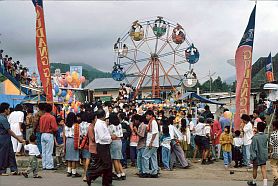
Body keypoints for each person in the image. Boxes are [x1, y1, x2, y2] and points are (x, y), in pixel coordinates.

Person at [0, 103, 24, 176]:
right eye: (8, 109)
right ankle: (2, 170)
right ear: (5, 110)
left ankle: (14, 170)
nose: (9, 110)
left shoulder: (4, 117)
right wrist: (18, 138)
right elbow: (9, 130)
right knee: (3, 154)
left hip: (6, 137)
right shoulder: (3, 118)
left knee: (11, 154)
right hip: (3, 137)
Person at [94, 109, 113, 186]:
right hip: (102, 145)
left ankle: (108, 182)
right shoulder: (99, 124)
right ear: (103, 115)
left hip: (105, 145)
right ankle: (106, 183)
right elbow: (102, 137)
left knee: (108, 165)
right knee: (106, 165)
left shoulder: (102, 123)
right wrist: (110, 137)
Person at [247, 122, 268, 186]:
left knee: (255, 169)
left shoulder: (255, 137)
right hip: (263, 155)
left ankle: (254, 182)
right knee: (263, 169)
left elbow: (252, 148)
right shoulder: (266, 136)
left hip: (256, 156)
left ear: (257, 128)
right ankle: (265, 184)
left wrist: (252, 158)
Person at [140, 110, 159, 178]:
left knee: (145, 156)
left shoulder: (153, 122)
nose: (146, 117)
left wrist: (151, 142)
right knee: (153, 157)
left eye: (147, 115)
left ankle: (146, 172)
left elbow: (155, 132)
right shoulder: (152, 122)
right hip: (154, 143)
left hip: (152, 143)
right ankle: (154, 172)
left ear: (151, 115)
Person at [40, 103, 58, 170]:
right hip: (49, 134)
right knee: (49, 151)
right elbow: (55, 128)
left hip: (42, 134)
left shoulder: (42, 117)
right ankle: (49, 166)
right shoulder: (52, 117)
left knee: (43, 151)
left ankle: (44, 165)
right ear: (51, 110)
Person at [108, 112, 126, 180]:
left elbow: (110, 136)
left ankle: (118, 174)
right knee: (118, 159)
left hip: (114, 142)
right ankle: (122, 173)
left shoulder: (111, 126)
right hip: (119, 141)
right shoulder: (119, 125)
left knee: (115, 159)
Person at [64, 112, 82, 178]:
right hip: (74, 140)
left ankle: (69, 171)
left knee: (68, 157)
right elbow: (79, 135)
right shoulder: (76, 125)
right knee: (74, 157)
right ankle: (74, 172)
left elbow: (64, 135)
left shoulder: (65, 126)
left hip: (68, 141)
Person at [79, 113, 91, 181]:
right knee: (88, 157)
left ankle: (84, 172)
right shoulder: (89, 125)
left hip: (82, 141)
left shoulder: (80, 124)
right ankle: (86, 174)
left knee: (84, 157)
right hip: (88, 141)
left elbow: (80, 135)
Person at [269, 120, 278, 186]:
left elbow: (271, 145)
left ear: (274, 127)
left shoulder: (273, 134)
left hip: (275, 153)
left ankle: (276, 177)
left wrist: (270, 152)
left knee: (273, 166)